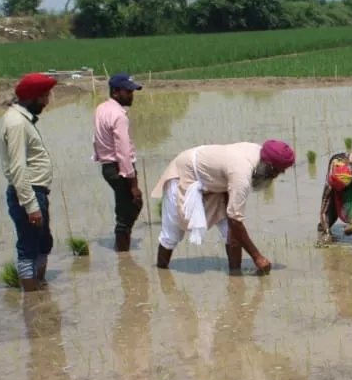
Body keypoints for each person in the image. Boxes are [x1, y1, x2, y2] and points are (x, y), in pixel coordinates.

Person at [150, 140, 295, 274]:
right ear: (267, 165)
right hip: (185, 173)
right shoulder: (242, 172)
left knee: (230, 232)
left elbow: (234, 221)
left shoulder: (259, 155)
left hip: (213, 181)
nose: (275, 177)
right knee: (171, 234)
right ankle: (161, 275)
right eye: (275, 171)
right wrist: (257, 257)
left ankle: (235, 278)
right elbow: (236, 220)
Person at [0, 73, 58, 292]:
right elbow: (17, 167)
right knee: (29, 247)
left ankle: (41, 288)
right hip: (28, 193)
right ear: (33, 98)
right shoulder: (16, 123)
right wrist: (31, 205)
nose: (46, 101)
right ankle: (32, 298)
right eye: (44, 97)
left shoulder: (22, 119)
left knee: (44, 243)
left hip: (37, 191)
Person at [92, 72, 145, 252]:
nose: (131, 95)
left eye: (132, 91)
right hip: (119, 168)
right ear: (115, 92)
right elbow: (123, 151)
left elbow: (96, 139)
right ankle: (123, 254)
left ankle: (122, 245)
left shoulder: (101, 109)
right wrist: (133, 183)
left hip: (107, 167)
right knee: (132, 206)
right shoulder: (119, 116)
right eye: (128, 92)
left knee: (124, 207)